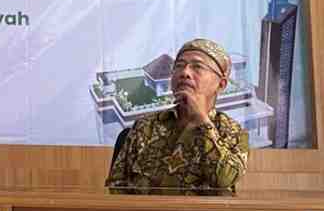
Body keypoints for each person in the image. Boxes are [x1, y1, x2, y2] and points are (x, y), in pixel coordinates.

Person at [106, 38, 249, 191]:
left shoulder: (232, 133)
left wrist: (201, 120)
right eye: (179, 66)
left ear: (221, 84)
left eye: (197, 66)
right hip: (143, 207)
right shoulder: (144, 127)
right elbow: (115, 188)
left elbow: (224, 178)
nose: (185, 73)